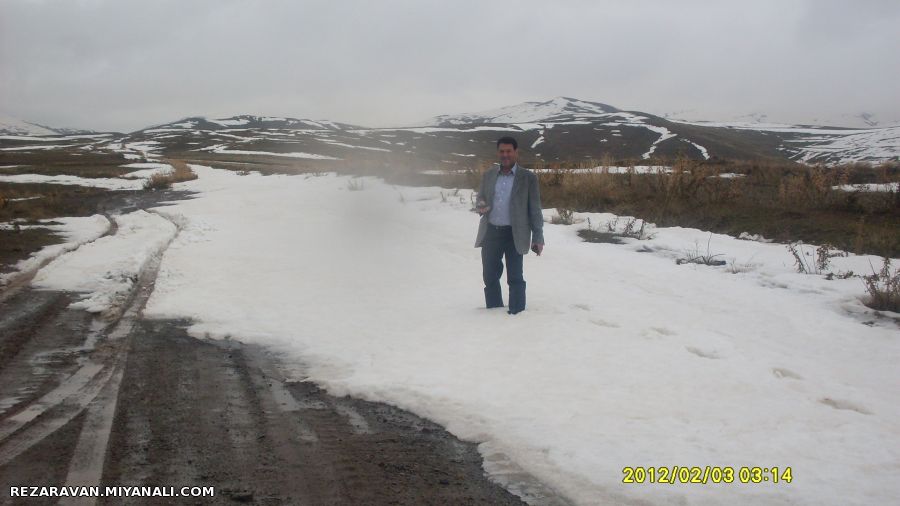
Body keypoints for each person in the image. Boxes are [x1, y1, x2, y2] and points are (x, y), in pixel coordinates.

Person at [474, 136, 545, 314]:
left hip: (515, 233)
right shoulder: (489, 175)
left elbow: (535, 209)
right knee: (490, 276)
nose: (505, 155)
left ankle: (517, 313)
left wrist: (538, 237)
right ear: (498, 153)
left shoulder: (528, 178)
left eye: (508, 151)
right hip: (491, 232)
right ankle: (493, 311)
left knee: (515, 277)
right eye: (502, 151)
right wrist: (481, 205)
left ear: (515, 152)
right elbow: (481, 197)